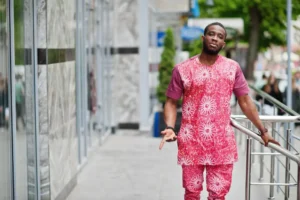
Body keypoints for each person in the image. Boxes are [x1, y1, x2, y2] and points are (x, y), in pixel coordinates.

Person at [158, 22, 280, 200]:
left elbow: (245, 101)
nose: (215, 38)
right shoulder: (182, 69)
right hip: (191, 142)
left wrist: (263, 130)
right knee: (191, 194)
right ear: (203, 38)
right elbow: (170, 102)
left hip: (222, 144)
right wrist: (170, 127)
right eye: (211, 34)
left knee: (218, 196)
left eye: (220, 36)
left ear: (224, 44)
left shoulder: (233, 68)